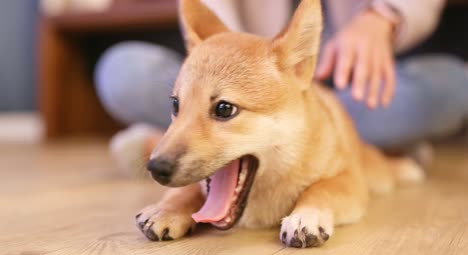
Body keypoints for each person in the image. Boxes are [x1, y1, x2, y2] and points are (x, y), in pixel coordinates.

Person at [96, 0, 468, 156]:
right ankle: (375, 149)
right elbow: (207, 15)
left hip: (346, 89)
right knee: (122, 69)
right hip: (246, 87)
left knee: (453, 87)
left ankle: (180, 137)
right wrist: (240, 74)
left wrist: (383, 16)